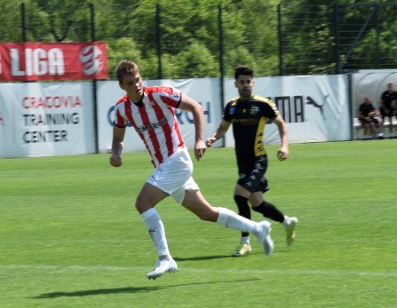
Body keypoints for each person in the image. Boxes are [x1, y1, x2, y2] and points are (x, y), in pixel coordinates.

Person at [109, 60, 275, 280]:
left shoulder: (160, 94)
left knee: (143, 203)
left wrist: (198, 140)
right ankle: (258, 228)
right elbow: (118, 138)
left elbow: (196, 107)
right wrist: (116, 153)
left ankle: (165, 258)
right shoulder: (122, 108)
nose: (136, 85)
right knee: (206, 213)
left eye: (138, 79)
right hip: (165, 166)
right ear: (122, 86)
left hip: (177, 160)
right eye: (130, 83)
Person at [206, 65, 299, 257]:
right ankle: (287, 222)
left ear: (253, 82)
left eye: (249, 82)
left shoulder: (263, 104)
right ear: (236, 84)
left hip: (258, 159)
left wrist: (284, 146)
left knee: (239, 196)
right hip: (242, 161)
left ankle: (245, 242)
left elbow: (281, 124)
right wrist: (214, 137)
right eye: (242, 82)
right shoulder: (232, 106)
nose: (246, 85)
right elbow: (223, 127)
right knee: (257, 204)